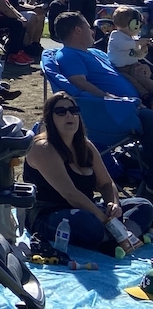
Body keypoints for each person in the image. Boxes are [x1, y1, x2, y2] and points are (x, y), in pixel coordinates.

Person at [23, 91, 153, 250]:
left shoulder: (85, 146)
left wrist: (113, 204)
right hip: (50, 214)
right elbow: (71, 195)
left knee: (143, 205)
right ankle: (119, 238)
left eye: (73, 110)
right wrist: (105, 220)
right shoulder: (43, 148)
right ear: (50, 118)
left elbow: (106, 183)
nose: (69, 115)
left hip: (90, 208)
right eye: (61, 112)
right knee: (87, 223)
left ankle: (116, 240)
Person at [54, 10, 153, 188]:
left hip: (134, 103)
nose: (93, 31)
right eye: (88, 27)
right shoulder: (69, 55)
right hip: (117, 112)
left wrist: (141, 70)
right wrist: (111, 98)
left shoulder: (94, 52)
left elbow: (122, 67)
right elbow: (79, 83)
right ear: (77, 30)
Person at [106, 5, 153, 104]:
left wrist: (143, 50)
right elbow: (123, 46)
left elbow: (137, 55)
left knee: (143, 78)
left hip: (133, 66)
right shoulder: (116, 35)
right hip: (120, 68)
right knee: (132, 82)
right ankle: (145, 96)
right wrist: (138, 43)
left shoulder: (133, 38)